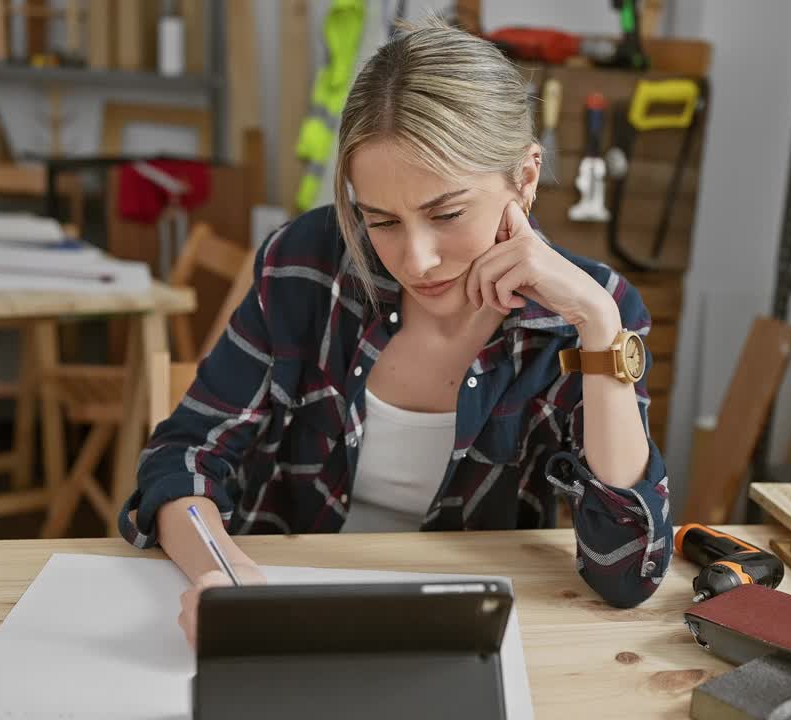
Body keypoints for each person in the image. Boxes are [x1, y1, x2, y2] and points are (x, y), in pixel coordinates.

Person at [118, 18, 673, 648]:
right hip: (286, 611)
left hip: (457, 638)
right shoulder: (306, 262)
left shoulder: (588, 312)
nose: (415, 261)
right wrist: (224, 571)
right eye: (380, 220)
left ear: (525, 177)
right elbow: (184, 457)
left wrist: (601, 330)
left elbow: (628, 570)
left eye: (447, 214)